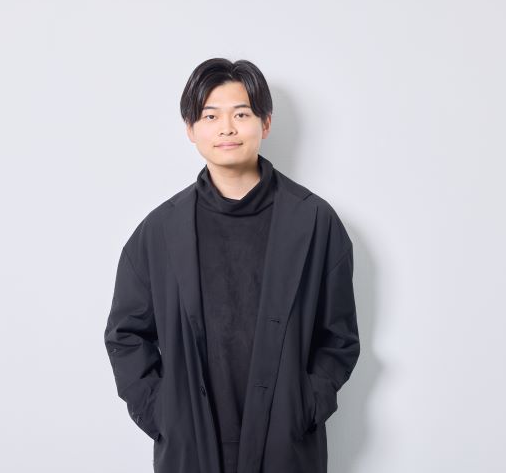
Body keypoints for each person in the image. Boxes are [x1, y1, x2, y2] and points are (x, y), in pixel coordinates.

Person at [104, 58, 360, 473]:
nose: (226, 128)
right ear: (191, 129)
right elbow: (126, 334)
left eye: (241, 114)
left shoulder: (314, 221)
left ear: (266, 123)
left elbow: (339, 337)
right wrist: (163, 415)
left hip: (285, 445)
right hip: (191, 447)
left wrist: (306, 405)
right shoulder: (160, 231)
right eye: (210, 116)